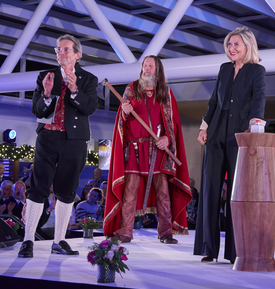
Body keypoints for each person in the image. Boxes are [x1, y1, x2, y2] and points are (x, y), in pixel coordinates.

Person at [18, 34, 98, 258]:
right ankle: (27, 241)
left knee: (66, 190)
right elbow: (37, 110)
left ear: (77, 54)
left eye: (65, 50)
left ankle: (59, 241)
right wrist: (45, 93)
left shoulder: (88, 79)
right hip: (47, 139)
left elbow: (90, 108)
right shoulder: (46, 76)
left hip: (73, 142)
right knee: (37, 189)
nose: (60, 53)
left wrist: (75, 90)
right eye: (58, 50)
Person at [194, 27, 265, 264]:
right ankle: (208, 248)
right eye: (229, 45)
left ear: (248, 46)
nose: (231, 48)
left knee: (237, 195)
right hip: (216, 132)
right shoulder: (224, 69)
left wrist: (253, 128)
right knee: (210, 191)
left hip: (240, 135)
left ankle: (236, 251)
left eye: (236, 44)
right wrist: (204, 128)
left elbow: (258, 101)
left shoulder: (257, 70)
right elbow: (214, 101)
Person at [103, 55, 192, 244]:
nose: (147, 68)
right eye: (145, 65)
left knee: (163, 192)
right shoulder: (131, 88)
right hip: (135, 149)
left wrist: (167, 139)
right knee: (129, 192)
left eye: (151, 65)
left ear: (157, 69)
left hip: (158, 150)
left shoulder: (165, 92)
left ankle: (166, 232)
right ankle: (125, 232)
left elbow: (173, 123)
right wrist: (124, 113)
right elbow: (122, 122)